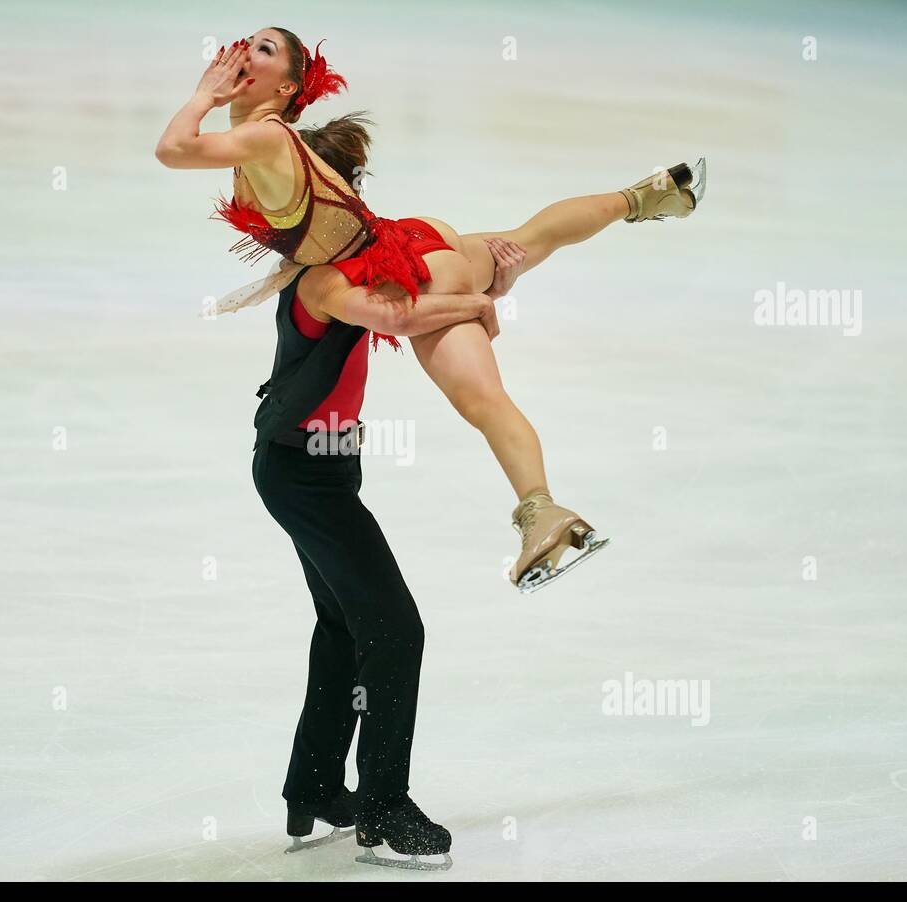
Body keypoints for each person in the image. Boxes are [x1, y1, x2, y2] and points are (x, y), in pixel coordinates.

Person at [155, 27, 705, 592]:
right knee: (531, 238)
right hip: (410, 238)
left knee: (481, 399)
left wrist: (205, 95)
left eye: (265, 49)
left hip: (405, 273)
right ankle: (645, 196)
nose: (247, 50)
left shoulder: (266, 137)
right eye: (247, 40)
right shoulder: (255, 140)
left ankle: (541, 510)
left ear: (290, 86)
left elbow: (171, 150)